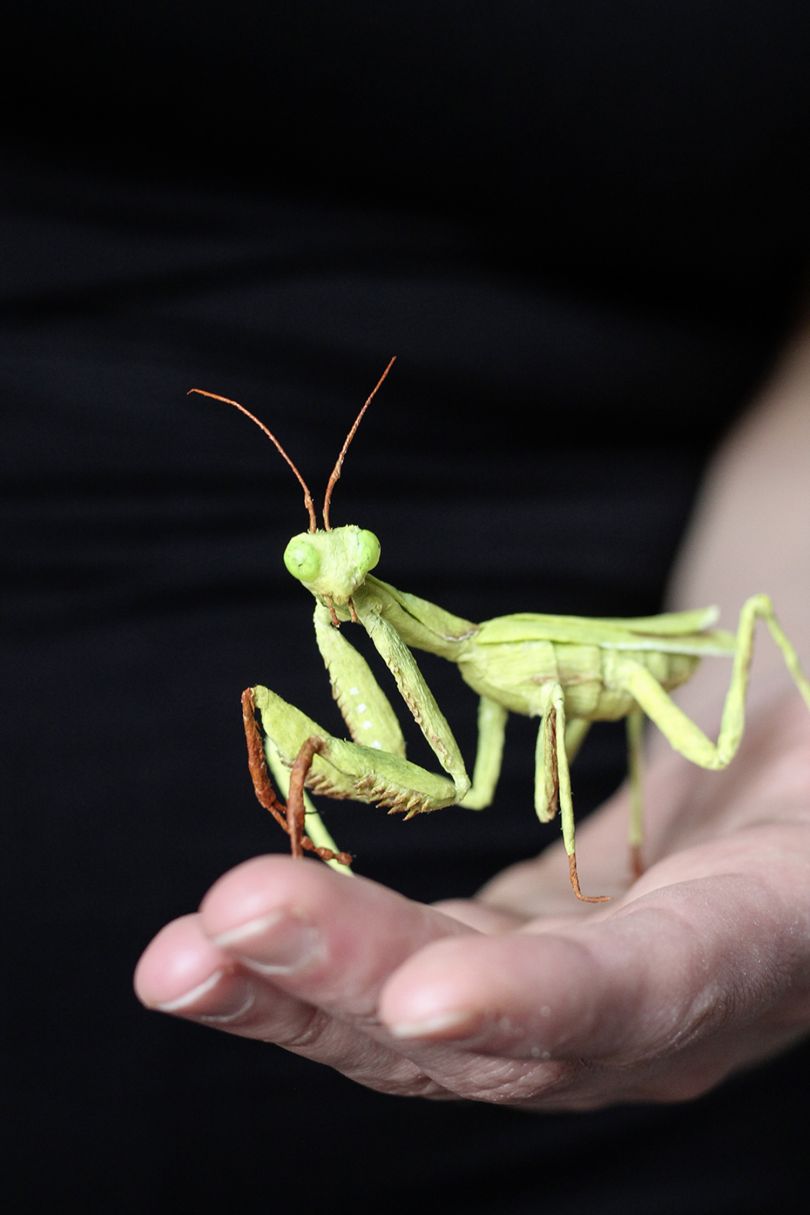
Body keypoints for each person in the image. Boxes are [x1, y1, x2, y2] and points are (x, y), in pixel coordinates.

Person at [5, 4, 810, 1211]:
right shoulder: (362, 616)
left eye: (348, 566)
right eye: (314, 573)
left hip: (628, 1122)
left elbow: (563, 730)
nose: (334, 592)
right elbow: (450, 769)